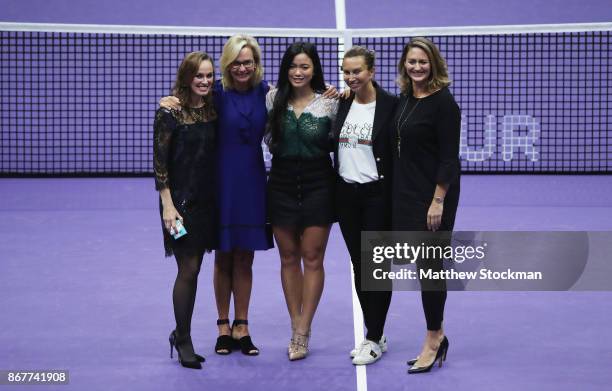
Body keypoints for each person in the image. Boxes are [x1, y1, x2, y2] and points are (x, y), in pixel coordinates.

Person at [161, 35, 273, 356]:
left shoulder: (266, 93)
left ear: (255, 64)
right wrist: (170, 100)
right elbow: (188, 103)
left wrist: (343, 92)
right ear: (227, 64)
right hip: (219, 185)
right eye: (236, 62)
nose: (242, 67)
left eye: (247, 61)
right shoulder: (216, 94)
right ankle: (223, 326)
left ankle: (243, 326)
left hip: (252, 184)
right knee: (223, 256)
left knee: (245, 257)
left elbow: (301, 96)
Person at [265, 42, 338, 361]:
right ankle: (295, 322)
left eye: (305, 66)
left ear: (314, 70)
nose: (298, 72)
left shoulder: (331, 102)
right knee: (288, 257)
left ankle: (302, 331)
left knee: (312, 257)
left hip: (319, 184)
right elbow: (227, 89)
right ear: (286, 68)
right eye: (293, 66)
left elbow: (369, 104)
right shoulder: (270, 99)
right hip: (279, 184)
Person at [392, 37, 460, 374]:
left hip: (433, 197)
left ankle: (434, 338)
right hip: (408, 192)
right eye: (411, 62)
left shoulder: (444, 103)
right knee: (421, 265)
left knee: (430, 268)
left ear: (433, 63)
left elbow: (449, 159)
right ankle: (438, 333)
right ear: (404, 64)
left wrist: (437, 201)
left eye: (423, 62)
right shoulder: (406, 98)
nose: (417, 67)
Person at [331, 46, 398, 365]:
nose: (351, 76)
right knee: (360, 265)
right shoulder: (342, 103)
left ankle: (372, 336)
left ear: (371, 71)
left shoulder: (391, 106)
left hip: (376, 196)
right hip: (346, 196)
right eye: (346, 71)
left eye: (357, 71)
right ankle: (377, 332)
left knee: (377, 267)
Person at [153, 51, 217, 369]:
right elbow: (160, 164)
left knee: (196, 268)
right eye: (198, 76)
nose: (204, 81)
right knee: (188, 269)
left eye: (209, 75)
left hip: (208, 203)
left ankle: (181, 333)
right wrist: (167, 205)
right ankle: (183, 338)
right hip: (178, 206)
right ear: (187, 78)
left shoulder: (214, 106)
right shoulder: (170, 112)